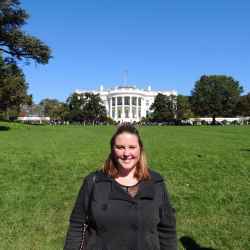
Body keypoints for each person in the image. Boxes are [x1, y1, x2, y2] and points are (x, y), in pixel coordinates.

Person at [64, 124, 177, 250]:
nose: (126, 153)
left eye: (132, 147)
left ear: (140, 149)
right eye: (120, 147)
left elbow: (167, 230)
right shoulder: (94, 181)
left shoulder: (155, 182)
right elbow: (77, 225)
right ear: (112, 149)